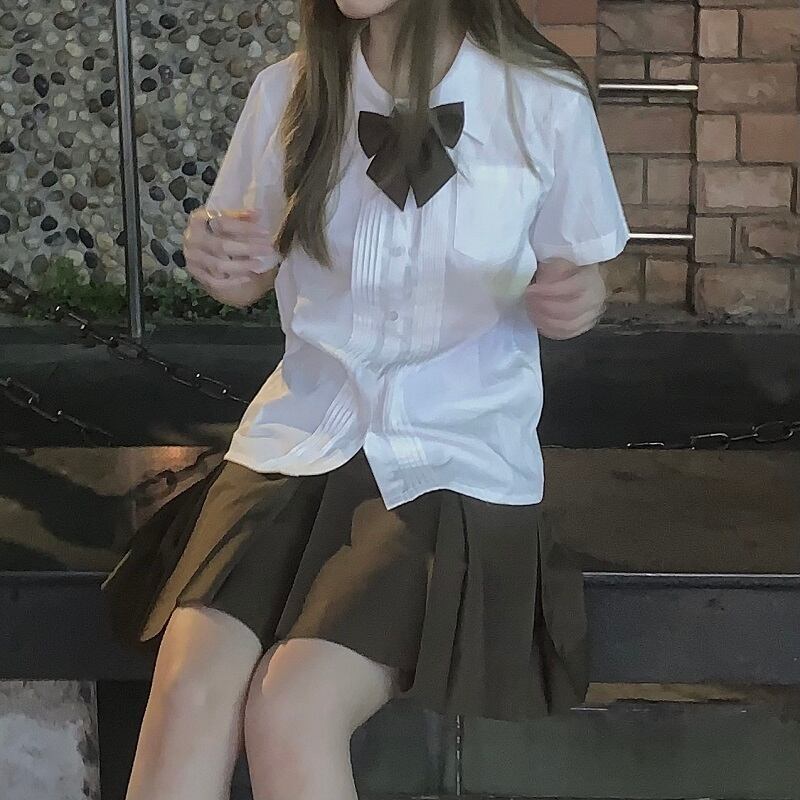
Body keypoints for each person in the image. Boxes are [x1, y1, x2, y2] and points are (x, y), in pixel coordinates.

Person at [101, 1, 631, 798]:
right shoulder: (288, 93)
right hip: (296, 440)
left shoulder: (542, 99)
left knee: (292, 707)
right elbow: (247, 265)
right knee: (187, 688)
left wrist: (579, 296)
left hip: (455, 459)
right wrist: (216, 255)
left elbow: (583, 270)